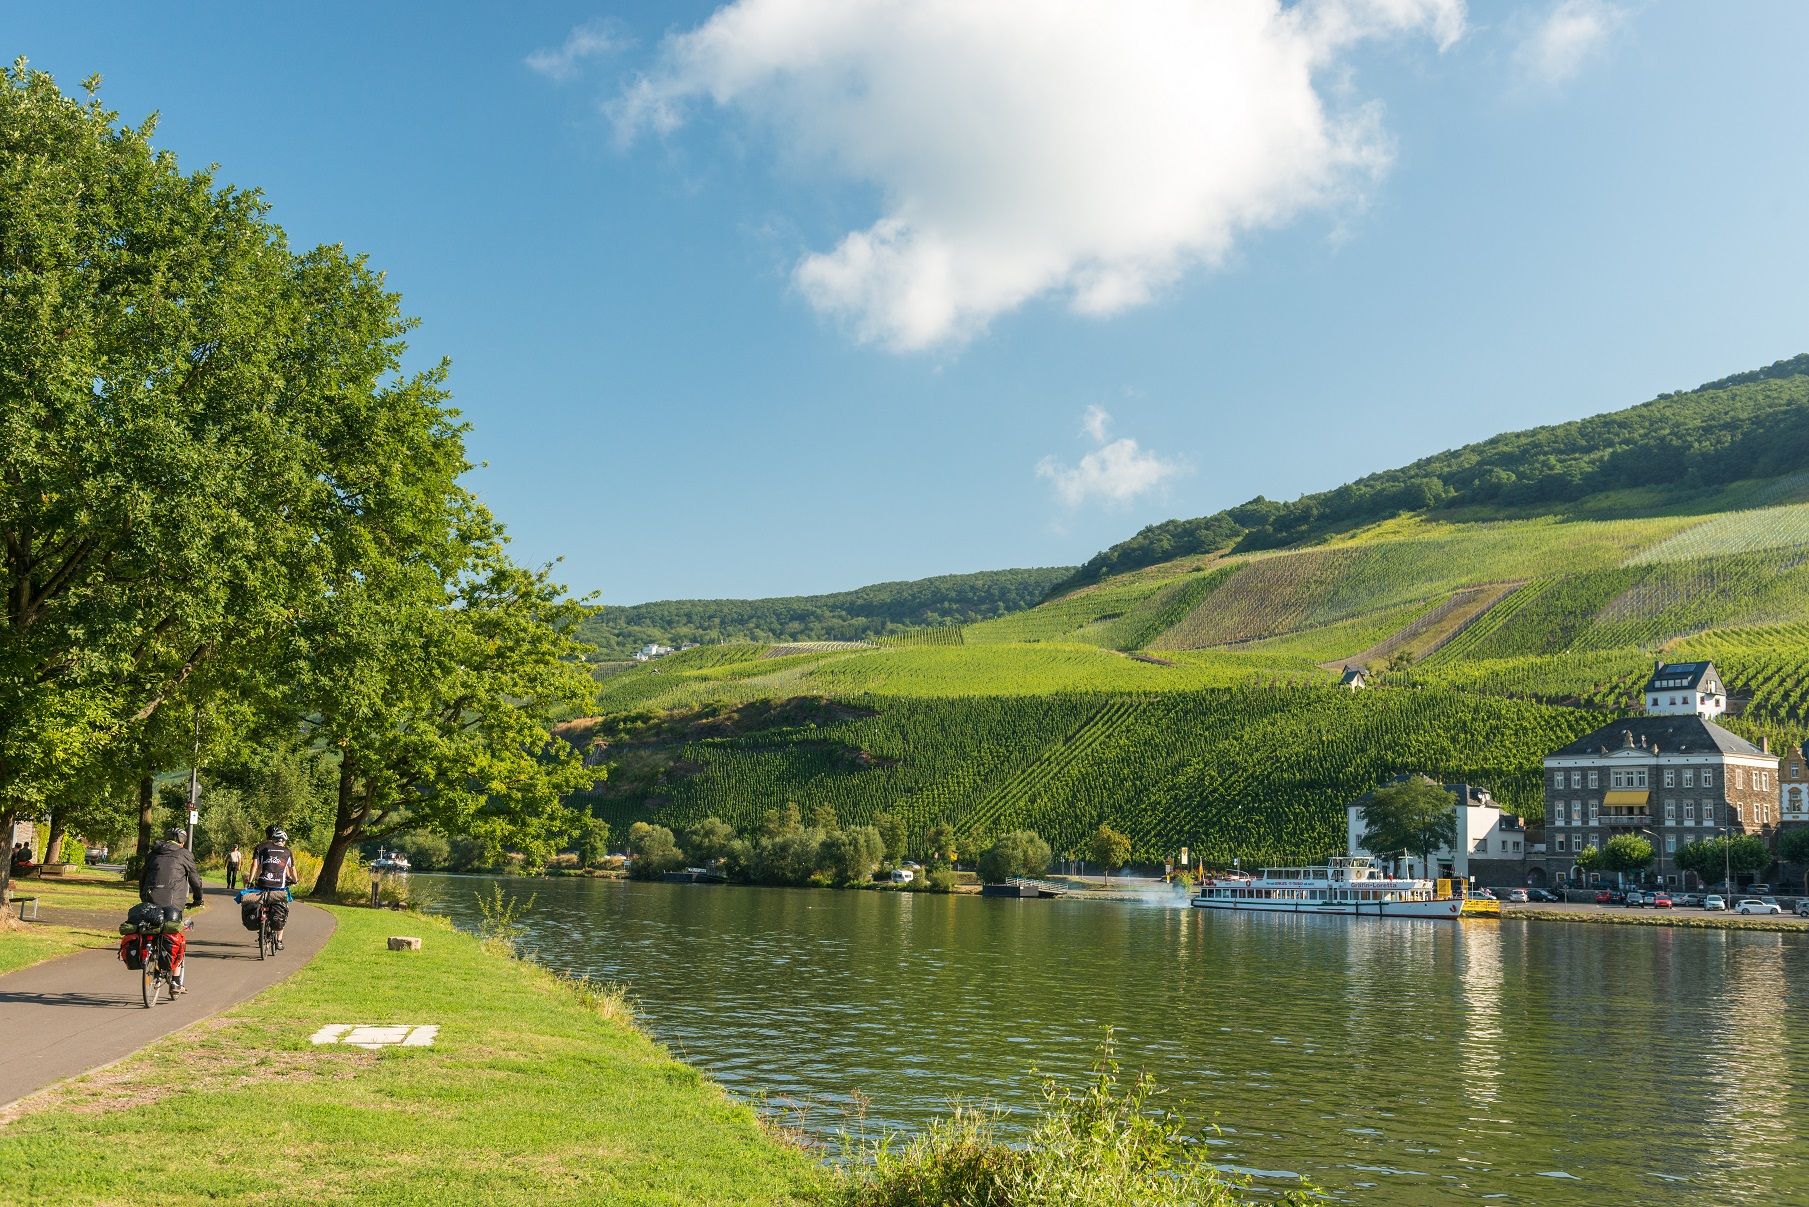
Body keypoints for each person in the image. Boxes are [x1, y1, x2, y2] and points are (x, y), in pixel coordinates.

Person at [139, 826, 203, 994]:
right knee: (177, 936)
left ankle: (151, 953)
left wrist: (144, 897)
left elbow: (143, 877)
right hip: (173, 903)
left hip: (150, 899)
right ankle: (175, 982)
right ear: (182, 841)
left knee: (152, 929)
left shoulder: (153, 853)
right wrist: (198, 899)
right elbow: (195, 880)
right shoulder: (184, 855)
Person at [250, 825, 299, 950]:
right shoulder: (287, 852)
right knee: (283, 909)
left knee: (262, 901)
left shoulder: (263, 849)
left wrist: (252, 880)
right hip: (279, 887)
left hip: (262, 883)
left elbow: (257, 866)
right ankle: (279, 940)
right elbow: (290, 870)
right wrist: (295, 880)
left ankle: (261, 924)